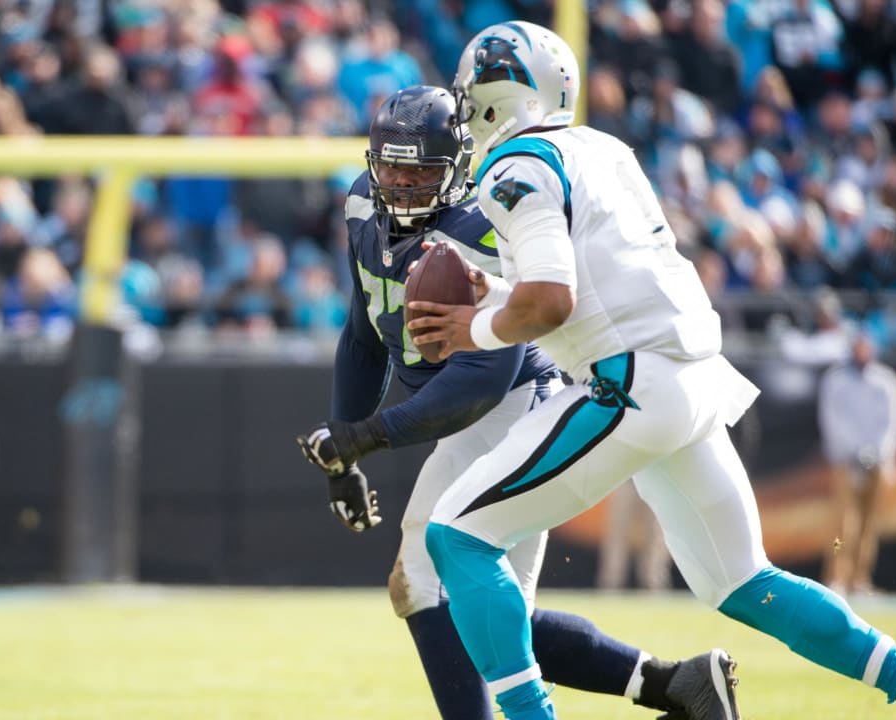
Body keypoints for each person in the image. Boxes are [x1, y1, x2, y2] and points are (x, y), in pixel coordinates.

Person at [406, 21, 896, 720]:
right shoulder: (600, 149)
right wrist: (495, 294)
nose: (469, 116)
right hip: (689, 378)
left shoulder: (517, 168)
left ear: (503, 97)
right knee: (743, 580)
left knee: (456, 535)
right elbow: (589, 290)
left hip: (627, 382)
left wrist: (469, 325)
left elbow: (554, 302)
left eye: (475, 101)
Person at [296, 85, 738, 720]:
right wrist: (345, 457)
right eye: (389, 165)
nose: (398, 182)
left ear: (455, 169)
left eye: (418, 170)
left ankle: (670, 686)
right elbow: (365, 335)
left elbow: (479, 384)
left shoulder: (481, 224)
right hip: (474, 411)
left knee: (428, 587)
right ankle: (678, 685)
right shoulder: (363, 206)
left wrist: (363, 437)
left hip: (513, 405)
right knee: (492, 611)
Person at [817, 333, 896, 596]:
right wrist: (855, 449)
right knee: (843, 523)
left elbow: (893, 422)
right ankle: (836, 577)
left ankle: (860, 578)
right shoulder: (836, 379)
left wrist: (878, 452)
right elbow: (831, 419)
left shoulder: (886, 381)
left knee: (869, 524)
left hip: (878, 460)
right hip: (844, 459)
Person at [596, 480, 672, 592]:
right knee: (617, 537)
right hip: (626, 481)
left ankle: (655, 587)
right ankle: (611, 585)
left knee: (655, 540)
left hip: (654, 483)